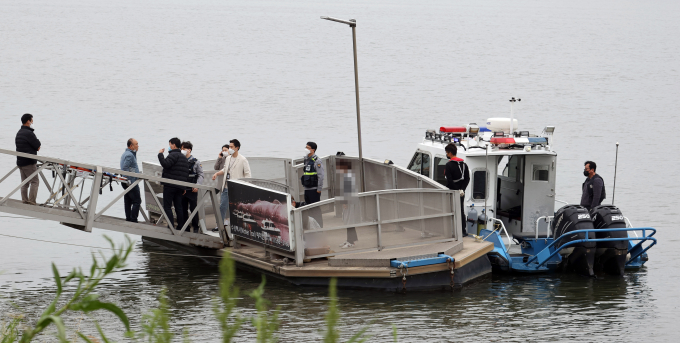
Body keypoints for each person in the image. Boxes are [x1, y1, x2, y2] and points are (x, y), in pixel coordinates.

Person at [212, 139, 251, 231]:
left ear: (237, 148)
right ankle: (220, 225)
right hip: (226, 186)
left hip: (237, 188)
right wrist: (217, 174)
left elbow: (248, 175)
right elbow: (225, 169)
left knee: (237, 208)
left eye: (231, 147)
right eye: (229, 147)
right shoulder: (228, 158)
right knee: (222, 206)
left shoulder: (243, 160)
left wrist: (245, 187)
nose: (230, 149)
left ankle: (239, 227)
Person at [158, 137, 190, 230]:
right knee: (178, 207)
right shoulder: (184, 158)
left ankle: (170, 226)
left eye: (170, 145)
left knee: (167, 206)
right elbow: (185, 173)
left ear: (174, 145)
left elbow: (165, 164)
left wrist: (160, 154)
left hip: (170, 185)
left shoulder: (173, 155)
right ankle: (180, 226)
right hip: (180, 187)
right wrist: (184, 186)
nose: (169, 147)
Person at [443, 143, 470, 236]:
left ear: (450, 153)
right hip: (461, 192)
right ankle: (463, 231)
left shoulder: (449, 165)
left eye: (447, 152)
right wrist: (462, 189)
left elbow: (449, 181)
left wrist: (456, 190)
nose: (446, 154)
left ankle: (452, 231)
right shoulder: (464, 164)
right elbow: (467, 178)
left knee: (450, 210)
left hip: (452, 191)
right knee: (461, 210)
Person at [15, 113, 41, 205]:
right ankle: (31, 201)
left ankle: (25, 200)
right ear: (28, 121)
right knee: (35, 181)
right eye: (32, 120)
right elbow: (38, 146)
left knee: (24, 182)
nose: (32, 122)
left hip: (20, 162)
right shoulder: (29, 133)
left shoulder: (19, 132)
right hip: (28, 162)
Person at [180, 141, 204, 233]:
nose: (182, 151)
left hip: (192, 190)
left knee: (193, 209)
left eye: (184, 149)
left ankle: (195, 227)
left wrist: (197, 185)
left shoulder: (196, 162)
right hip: (182, 189)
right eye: (181, 149)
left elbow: (201, 175)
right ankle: (185, 227)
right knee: (183, 209)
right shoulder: (180, 161)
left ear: (189, 150)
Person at [301, 142, 325, 226]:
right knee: (309, 209)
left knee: (316, 210)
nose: (306, 149)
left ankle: (319, 228)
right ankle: (312, 227)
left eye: (308, 148)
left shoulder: (317, 161)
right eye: (306, 147)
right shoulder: (306, 159)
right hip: (306, 189)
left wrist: (319, 189)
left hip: (314, 190)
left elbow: (321, 175)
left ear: (313, 150)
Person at [336, 160, 359, 248]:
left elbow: (347, 191)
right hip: (348, 202)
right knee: (347, 221)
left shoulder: (348, 177)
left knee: (349, 221)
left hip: (350, 203)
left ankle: (351, 241)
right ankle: (350, 239)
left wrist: (345, 202)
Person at [120, 138, 142, 222]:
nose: (138, 146)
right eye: (136, 144)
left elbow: (129, 168)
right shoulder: (129, 155)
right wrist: (127, 180)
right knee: (137, 201)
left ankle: (128, 218)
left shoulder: (126, 153)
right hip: (130, 181)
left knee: (128, 200)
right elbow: (125, 167)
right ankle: (133, 219)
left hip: (127, 180)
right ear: (131, 146)